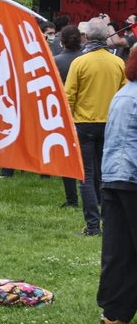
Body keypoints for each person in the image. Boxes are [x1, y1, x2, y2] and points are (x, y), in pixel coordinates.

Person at [65, 18, 127, 236]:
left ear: (87, 36)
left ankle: (92, 225)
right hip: (109, 125)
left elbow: (69, 97)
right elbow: (124, 95)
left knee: (86, 176)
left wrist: (67, 124)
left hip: (83, 124)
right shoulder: (118, 63)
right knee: (106, 175)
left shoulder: (80, 63)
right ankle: (109, 223)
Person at [98, 47, 137, 324]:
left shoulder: (123, 93)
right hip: (133, 177)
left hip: (113, 176)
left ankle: (115, 313)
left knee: (117, 247)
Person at [53, 25, 84, 207]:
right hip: (88, 112)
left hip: (64, 113)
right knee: (91, 159)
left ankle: (71, 198)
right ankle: (95, 195)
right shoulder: (86, 60)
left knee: (68, 156)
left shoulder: (56, 61)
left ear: (61, 41)